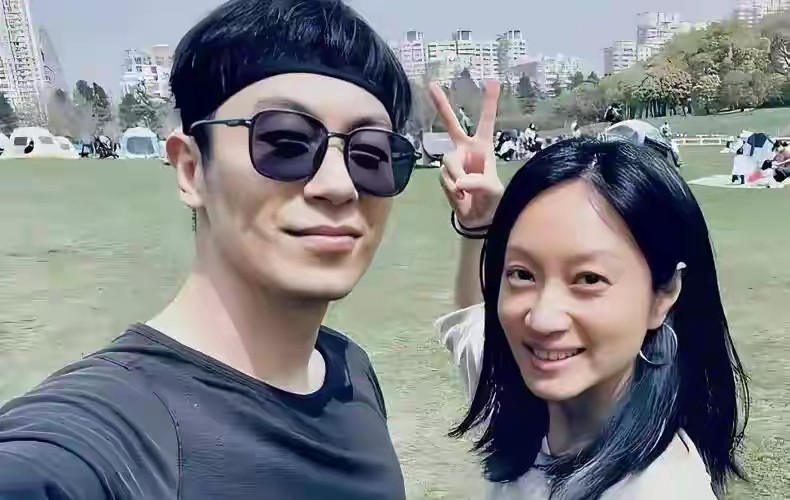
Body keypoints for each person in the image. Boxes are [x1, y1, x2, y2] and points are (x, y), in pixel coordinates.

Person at [0, 1, 418, 498]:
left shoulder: (350, 370)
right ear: (192, 169)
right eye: (286, 142)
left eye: (370, 153)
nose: (338, 185)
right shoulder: (113, 434)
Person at [429, 85, 749, 499]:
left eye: (589, 280)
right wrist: (480, 226)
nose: (542, 319)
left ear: (663, 294)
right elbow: (474, 320)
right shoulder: (522, 396)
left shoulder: (661, 489)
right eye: (523, 274)